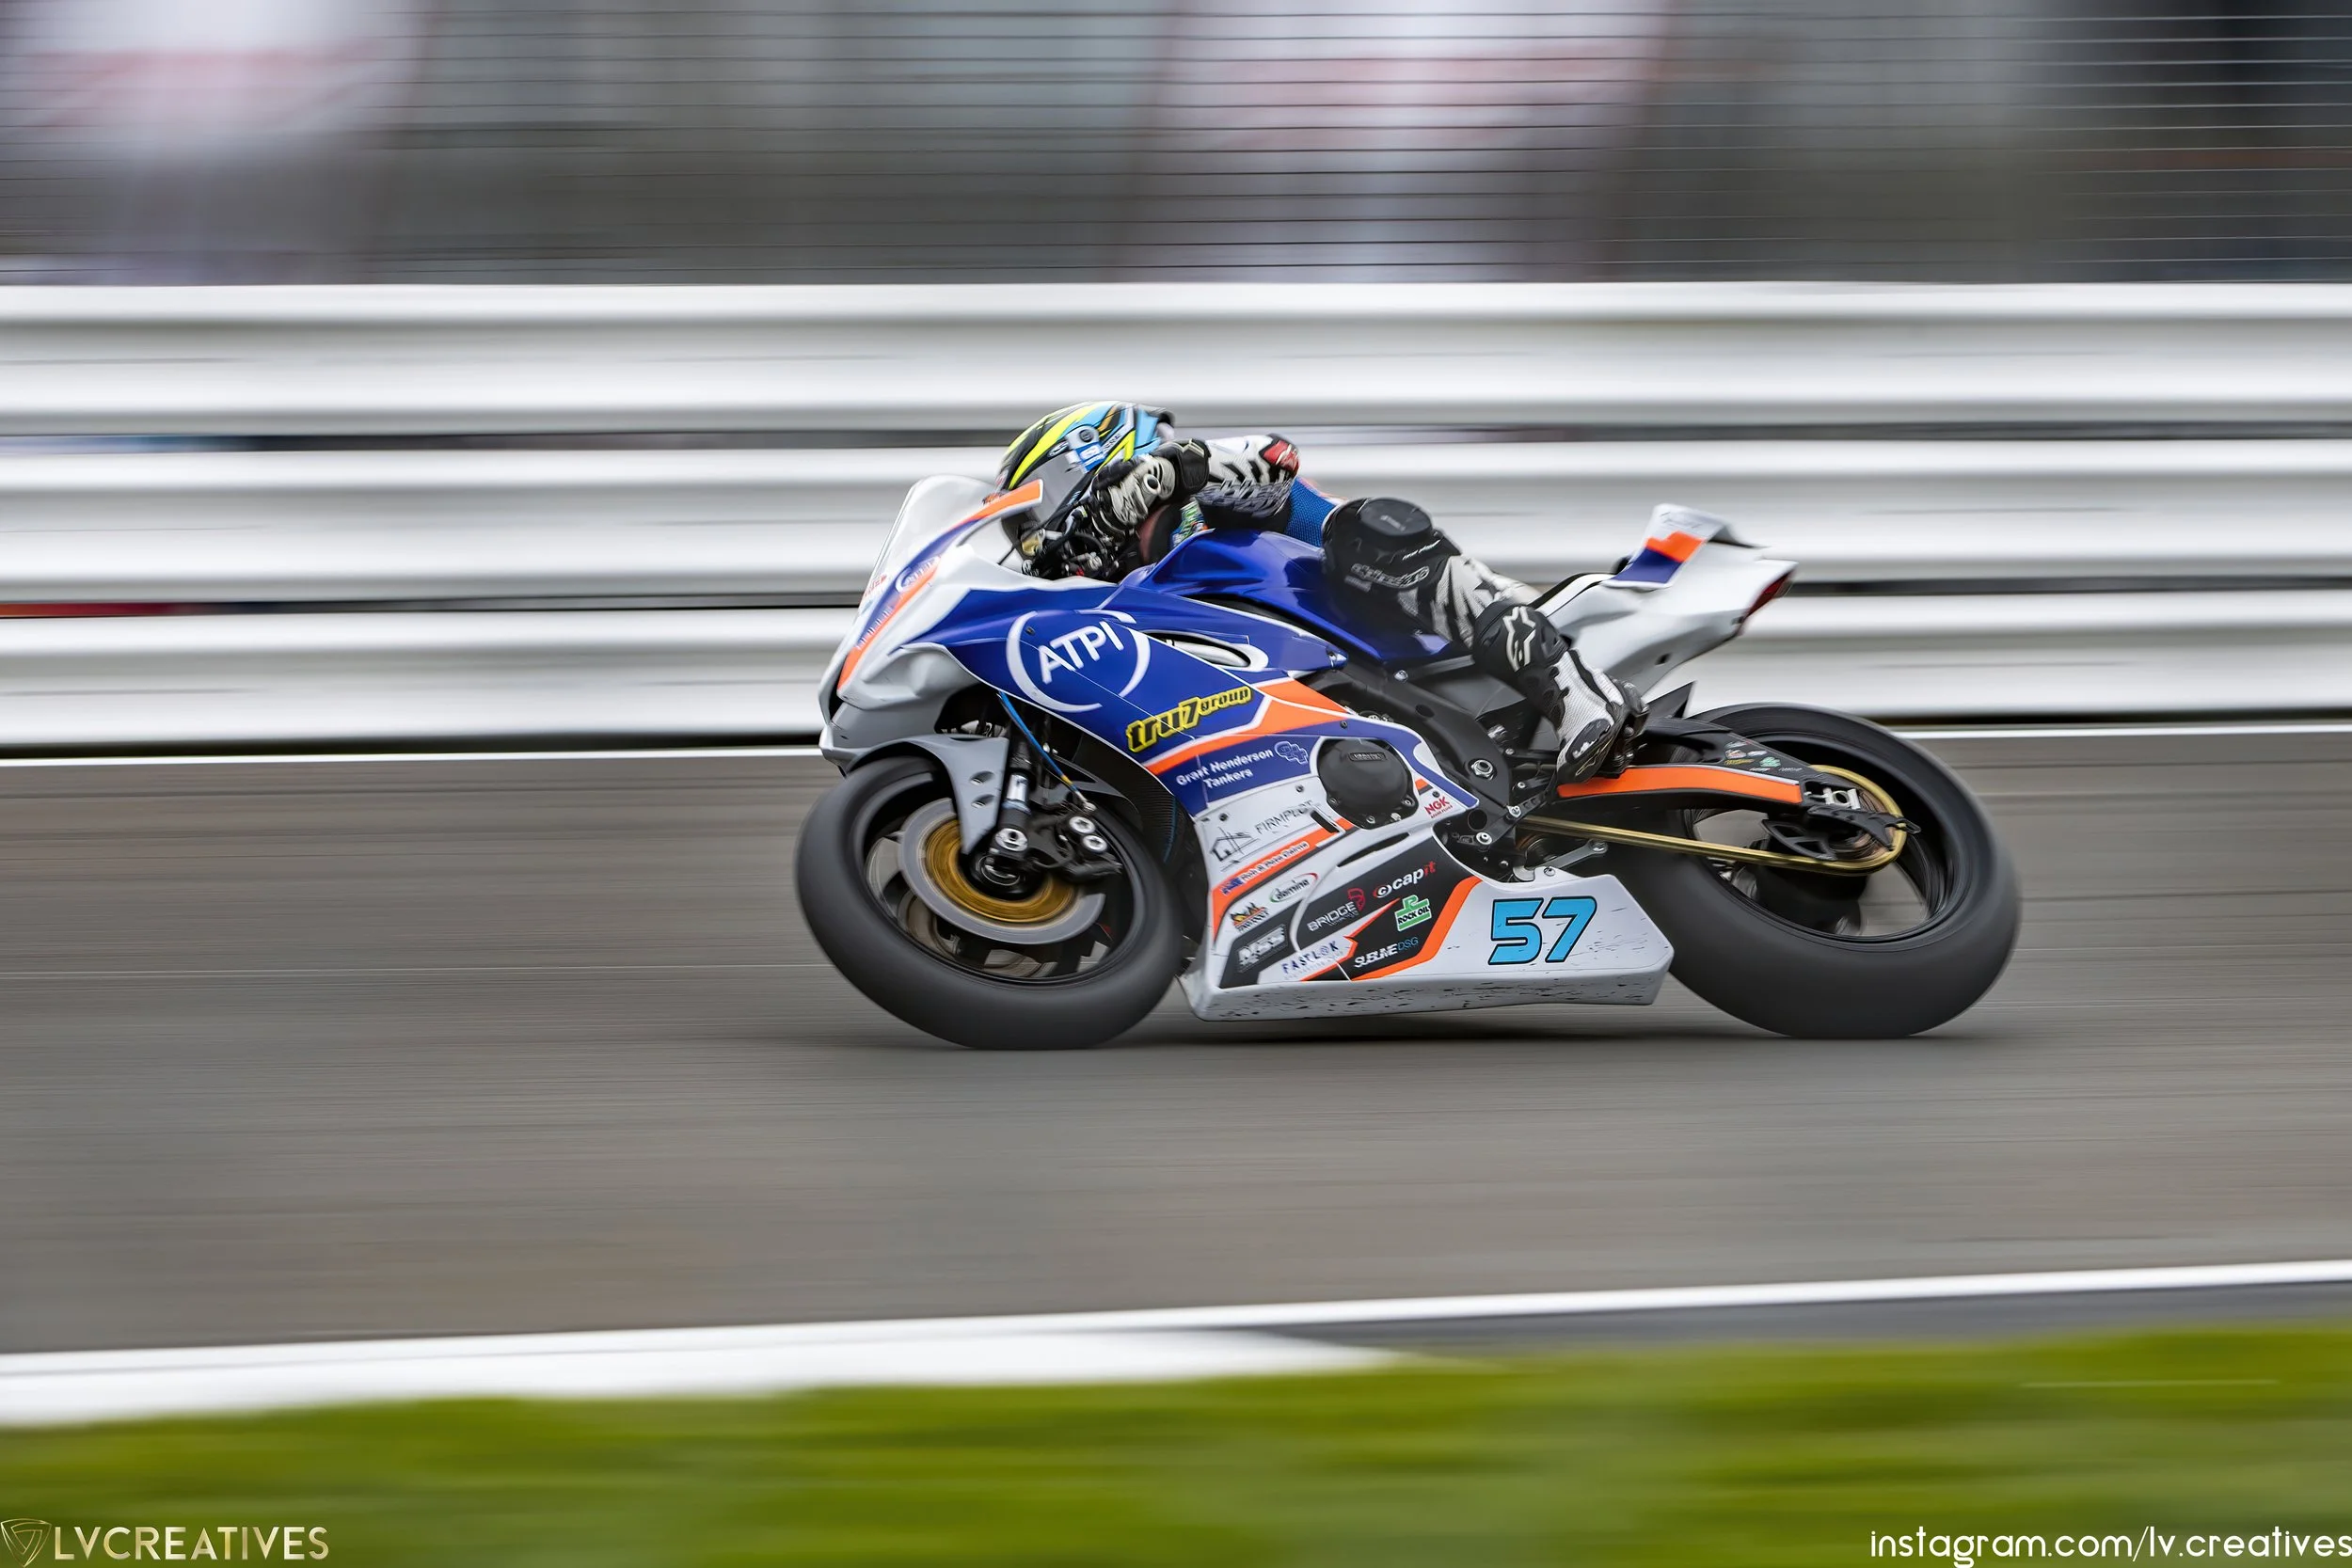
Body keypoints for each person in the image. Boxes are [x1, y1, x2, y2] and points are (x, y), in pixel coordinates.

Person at [996, 401, 1636, 783]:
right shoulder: (1128, 604)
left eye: (1033, 518)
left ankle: (1575, 691)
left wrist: (1164, 473)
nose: (1034, 543)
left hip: (1430, 647)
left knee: (1364, 529)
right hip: (1337, 708)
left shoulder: (1203, 499)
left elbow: (1274, 457)